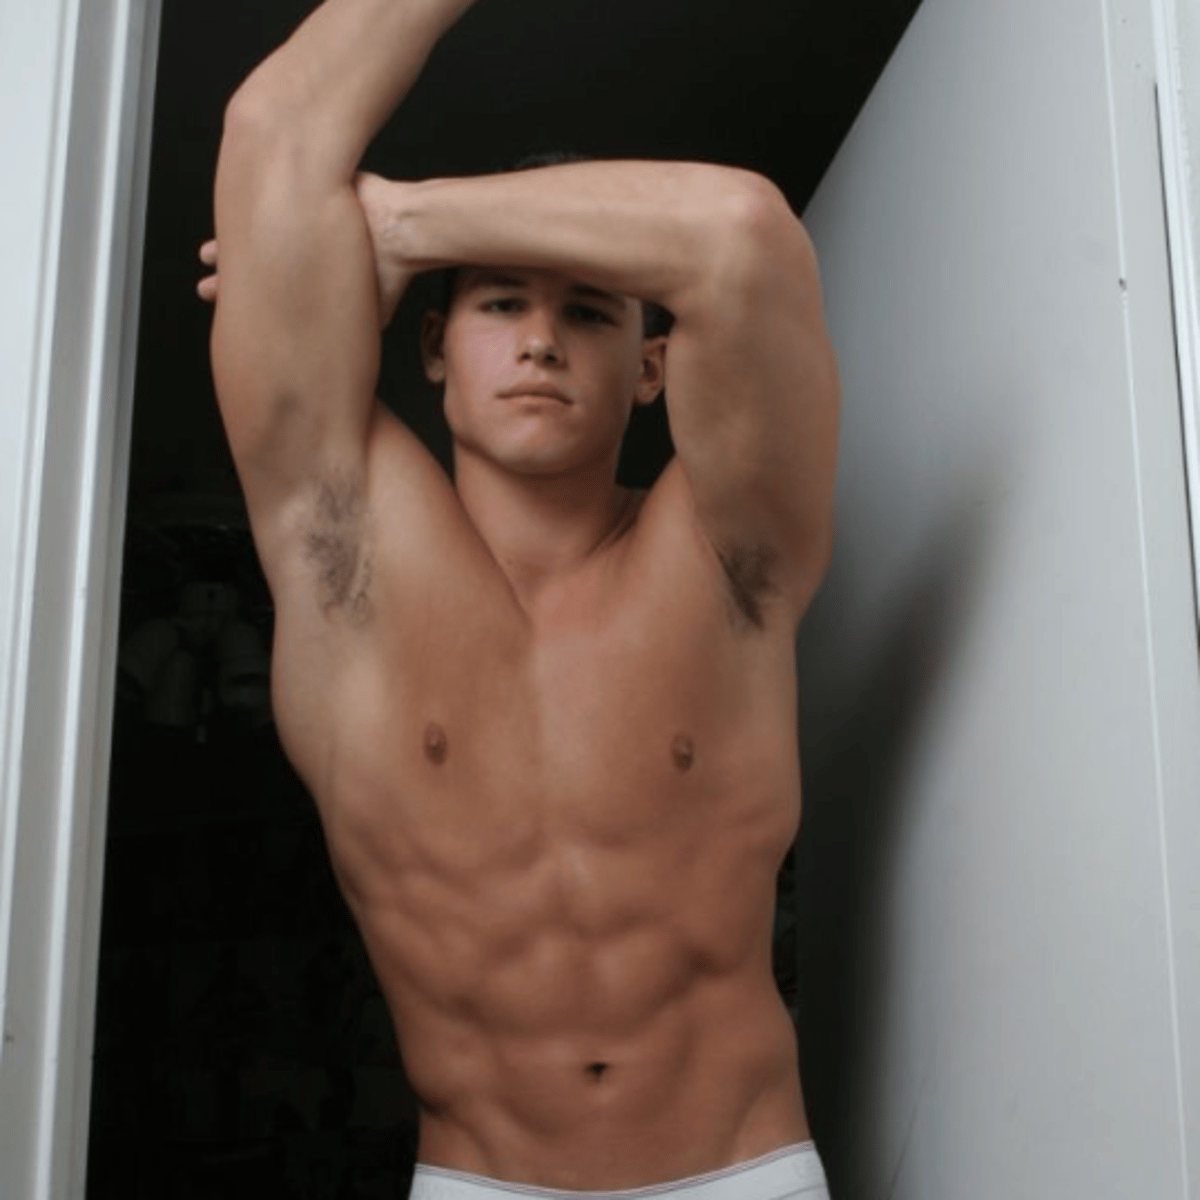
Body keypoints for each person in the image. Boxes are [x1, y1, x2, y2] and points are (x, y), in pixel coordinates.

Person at [202, 0, 840, 1195]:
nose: (541, 342)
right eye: (501, 304)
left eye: (588, 310)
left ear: (652, 367)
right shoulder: (343, 555)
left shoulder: (725, 556)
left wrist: (405, 220)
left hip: (743, 1171)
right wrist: (347, 235)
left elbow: (743, 235)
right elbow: (274, 130)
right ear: (434, 347)